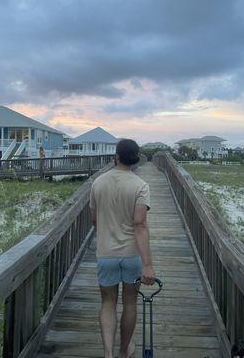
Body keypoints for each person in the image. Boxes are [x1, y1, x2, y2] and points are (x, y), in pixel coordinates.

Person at [90, 139, 155, 358]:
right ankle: (124, 351)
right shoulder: (141, 186)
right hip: (131, 255)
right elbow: (140, 224)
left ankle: (107, 353)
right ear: (136, 158)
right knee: (129, 302)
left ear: (116, 156)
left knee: (108, 303)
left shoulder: (98, 183)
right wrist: (148, 265)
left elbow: (94, 220)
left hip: (105, 253)